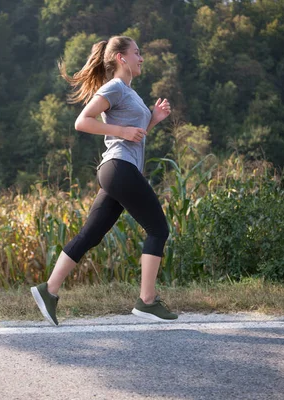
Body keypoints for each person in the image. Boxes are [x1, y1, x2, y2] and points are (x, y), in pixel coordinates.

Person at [31, 35, 177, 326]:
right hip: (118, 167)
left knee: (91, 235)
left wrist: (153, 120)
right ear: (121, 58)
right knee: (158, 229)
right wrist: (121, 132)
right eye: (137, 52)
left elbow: (135, 134)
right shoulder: (115, 87)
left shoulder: (130, 93)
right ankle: (147, 301)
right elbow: (82, 121)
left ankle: (48, 290)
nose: (142, 57)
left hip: (118, 170)